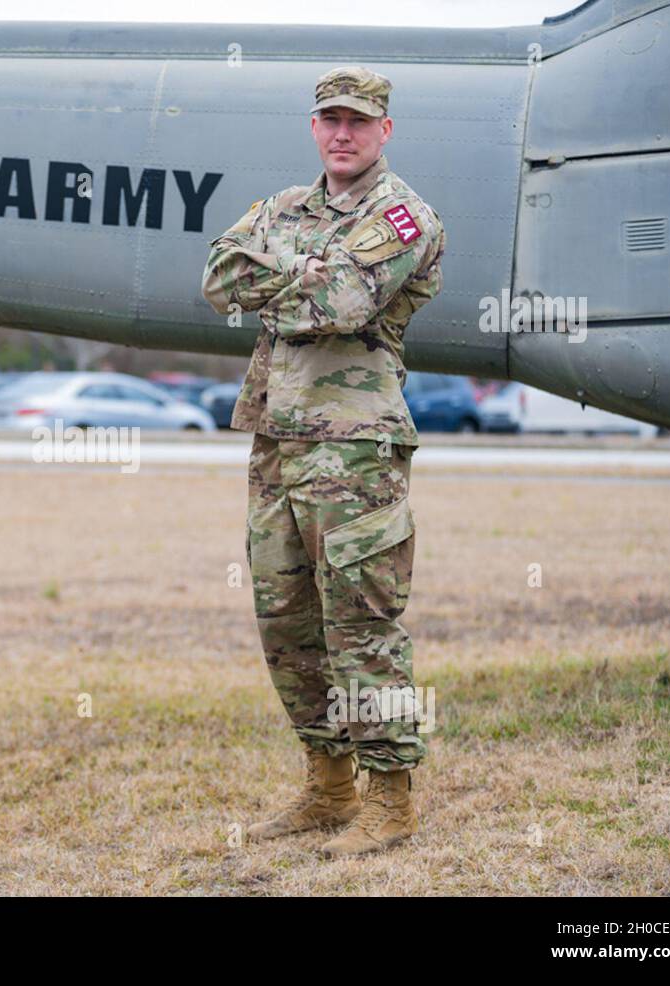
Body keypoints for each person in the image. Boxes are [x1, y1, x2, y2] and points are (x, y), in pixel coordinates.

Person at [200, 66, 446, 858]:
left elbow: (342, 305)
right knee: (287, 624)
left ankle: (391, 798)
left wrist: (285, 280)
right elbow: (216, 278)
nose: (342, 133)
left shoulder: (404, 216)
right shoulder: (282, 208)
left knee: (361, 625)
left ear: (384, 131)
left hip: (355, 448)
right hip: (277, 440)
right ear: (314, 127)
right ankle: (328, 785)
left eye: (358, 121)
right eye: (329, 119)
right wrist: (303, 273)